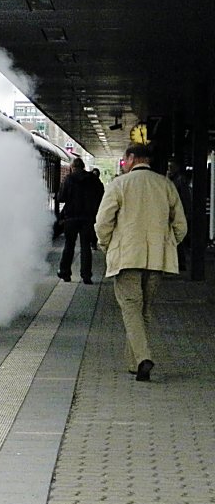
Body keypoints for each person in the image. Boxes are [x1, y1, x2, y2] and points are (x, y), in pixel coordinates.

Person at [94, 142, 187, 382]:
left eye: (125, 160)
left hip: (127, 258)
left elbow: (103, 222)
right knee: (143, 310)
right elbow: (181, 226)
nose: (123, 164)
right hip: (157, 260)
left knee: (130, 308)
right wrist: (167, 245)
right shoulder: (165, 185)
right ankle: (134, 363)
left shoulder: (119, 185)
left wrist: (107, 246)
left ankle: (144, 358)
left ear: (132, 158)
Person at [56, 157, 104, 283]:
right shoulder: (94, 180)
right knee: (86, 246)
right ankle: (86, 276)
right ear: (83, 166)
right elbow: (101, 195)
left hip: (71, 217)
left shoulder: (69, 179)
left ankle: (65, 273)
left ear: (72, 167)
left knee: (69, 245)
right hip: (88, 218)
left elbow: (61, 198)